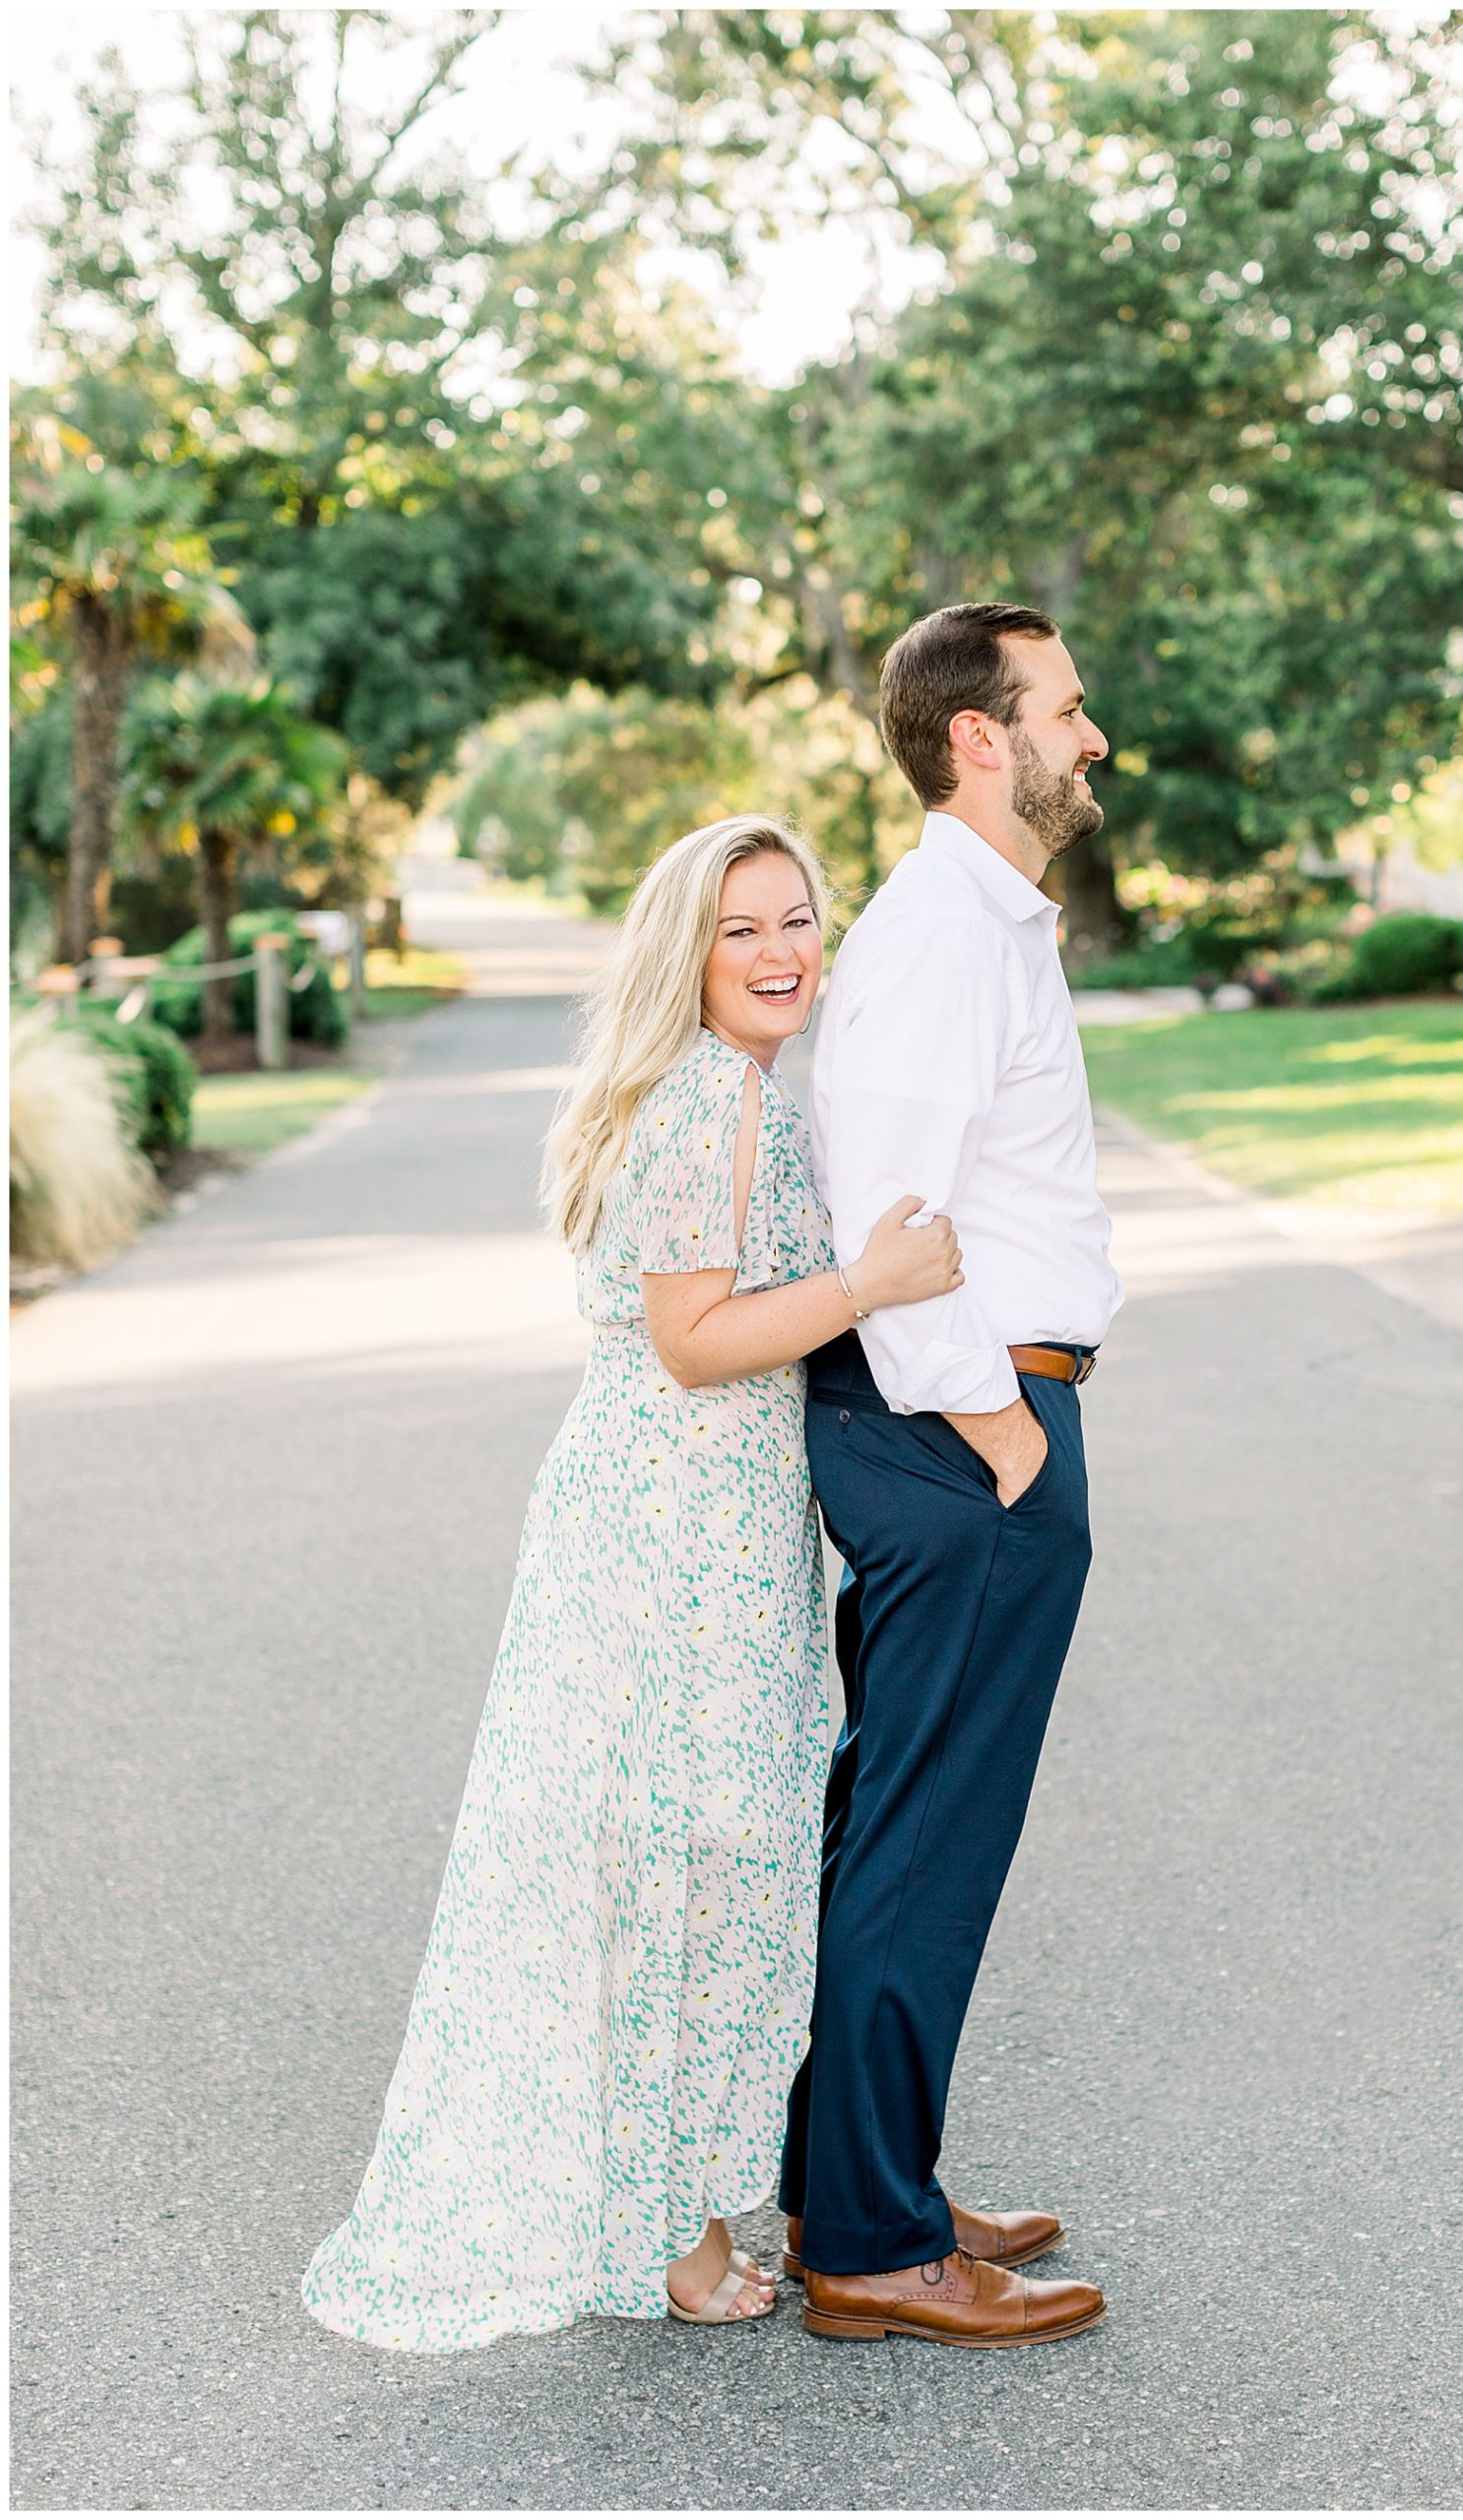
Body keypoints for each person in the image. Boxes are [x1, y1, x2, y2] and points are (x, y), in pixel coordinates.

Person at [301, 816, 962, 2349]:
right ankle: (667, 2226)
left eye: (797, 919)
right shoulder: (709, 1102)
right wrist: (869, 1281)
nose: (782, 952)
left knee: (685, 1855)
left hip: (699, 1515)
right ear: (688, 953)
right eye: (742, 929)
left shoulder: (728, 1088)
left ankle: (675, 2194)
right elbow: (693, 1339)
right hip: (671, 1532)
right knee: (685, 1859)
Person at [778, 602, 1125, 2349]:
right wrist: (1004, 1440)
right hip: (958, 1433)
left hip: (965, 1423)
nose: (1093, 736)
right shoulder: (938, 937)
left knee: (895, 1827)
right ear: (977, 738)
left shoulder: (982, 924)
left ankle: (858, 2179)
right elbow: (892, 1230)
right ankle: (870, 2243)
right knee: (924, 1842)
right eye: (1064, 708)